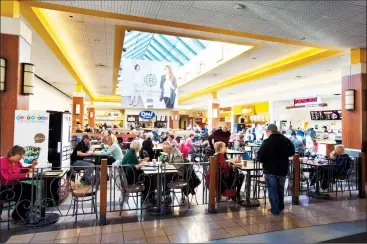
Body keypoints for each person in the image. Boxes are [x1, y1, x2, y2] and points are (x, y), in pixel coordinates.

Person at [257, 124, 295, 216]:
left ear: (270, 131)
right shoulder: (286, 140)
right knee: (280, 189)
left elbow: (260, 157)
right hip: (283, 169)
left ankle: (275, 209)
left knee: (272, 189)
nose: (266, 133)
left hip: (270, 170)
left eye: (266, 131)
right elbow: (292, 152)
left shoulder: (267, 142)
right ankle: (280, 206)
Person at [0, 146, 38, 220]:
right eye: (20, 154)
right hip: (5, 188)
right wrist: (26, 175)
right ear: (13, 153)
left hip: (15, 185)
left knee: (33, 188)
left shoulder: (17, 163)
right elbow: (7, 176)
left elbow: (22, 170)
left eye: (22, 155)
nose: (21, 156)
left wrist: (32, 166)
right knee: (24, 194)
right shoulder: (3, 161)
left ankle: (23, 211)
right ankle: (18, 215)